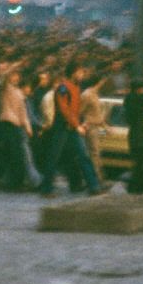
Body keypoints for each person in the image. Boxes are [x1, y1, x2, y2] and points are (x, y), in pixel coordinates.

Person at [39, 61, 103, 197]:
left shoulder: (73, 87)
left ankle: (93, 186)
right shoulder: (64, 88)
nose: (82, 75)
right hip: (63, 127)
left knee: (80, 156)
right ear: (74, 72)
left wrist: (79, 124)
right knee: (56, 157)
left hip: (70, 127)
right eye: (80, 72)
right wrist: (77, 125)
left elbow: (73, 110)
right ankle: (46, 189)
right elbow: (64, 110)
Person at [124, 79, 143, 194]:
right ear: (138, 90)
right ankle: (135, 188)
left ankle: (140, 187)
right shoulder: (132, 99)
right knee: (140, 165)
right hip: (139, 139)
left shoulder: (138, 101)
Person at [80, 74, 107, 183]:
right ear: (99, 82)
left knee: (95, 153)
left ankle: (97, 178)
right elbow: (80, 111)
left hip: (96, 126)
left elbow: (97, 113)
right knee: (93, 153)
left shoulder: (95, 94)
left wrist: (105, 126)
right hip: (90, 127)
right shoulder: (87, 95)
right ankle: (96, 179)